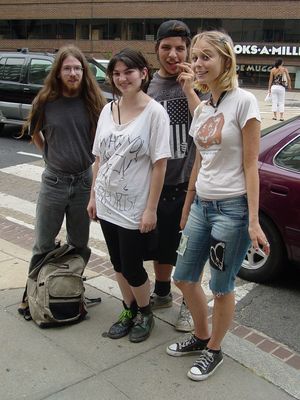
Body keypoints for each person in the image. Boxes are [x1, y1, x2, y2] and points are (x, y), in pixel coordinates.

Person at [166, 30, 270, 381]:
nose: (197, 63)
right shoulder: (205, 107)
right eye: (195, 56)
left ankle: (214, 349)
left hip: (232, 210)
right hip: (201, 207)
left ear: (226, 59)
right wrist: (187, 205)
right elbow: (200, 160)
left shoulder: (244, 102)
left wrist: (253, 221)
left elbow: (251, 165)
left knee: (221, 286)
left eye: (205, 56)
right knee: (183, 277)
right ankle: (200, 335)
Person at [87, 49, 171, 343]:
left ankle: (145, 312)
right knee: (117, 263)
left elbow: (160, 165)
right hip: (107, 203)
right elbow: (99, 159)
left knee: (133, 266)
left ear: (143, 74)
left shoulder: (155, 113)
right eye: (117, 73)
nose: (122, 78)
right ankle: (128, 309)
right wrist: (93, 196)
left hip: (134, 207)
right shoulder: (107, 110)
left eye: (128, 72)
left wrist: (151, 209)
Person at [18, 45, 105, 289]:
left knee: (79, 242)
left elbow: (101, 139)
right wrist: (48, 153)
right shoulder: (45, 101)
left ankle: (70, 289)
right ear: (58, 72)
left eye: (78, 68)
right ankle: (35, 292)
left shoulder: (94, 101)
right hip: (54, 182)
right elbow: (34, 131)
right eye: (67, 68)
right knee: (44, 242)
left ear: (84, 72)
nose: (73, 73)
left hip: (84, 181)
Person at [147, 19, 209, 332]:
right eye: (166, 48)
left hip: (193, 184)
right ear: (156, 49)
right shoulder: (148, 86)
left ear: (188, 50)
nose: (173, 54)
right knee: (161, 245)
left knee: (190, 250)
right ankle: (161, 293)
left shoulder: (202, 83)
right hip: (158, 184)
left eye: (180, 48)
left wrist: (190, 88)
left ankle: (189, 303)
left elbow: (209, 129)